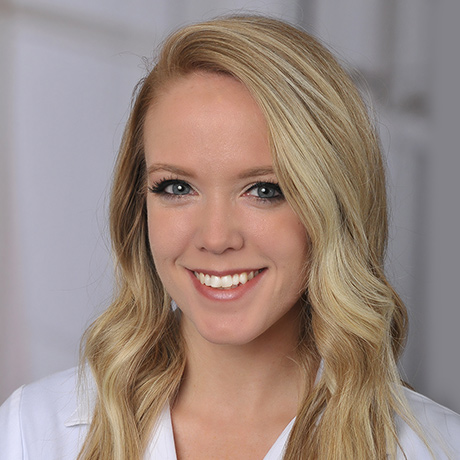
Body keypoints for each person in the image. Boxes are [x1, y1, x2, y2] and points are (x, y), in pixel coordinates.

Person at [0, 15, 459, 460]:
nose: (216, 238)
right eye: (176, 188)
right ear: (137, 205)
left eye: (264, 190)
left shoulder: (438, 447)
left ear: (334, 204)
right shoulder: (32, 431)